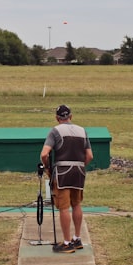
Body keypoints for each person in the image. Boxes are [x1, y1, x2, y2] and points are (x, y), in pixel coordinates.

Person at [40, 104, 93, 253]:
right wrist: (81, 166)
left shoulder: (55, 131)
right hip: (79, 171)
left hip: (62, 172)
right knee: (76, 204)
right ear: (71, 116)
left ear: (57, 118)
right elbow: (89, 156)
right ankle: (77, 238)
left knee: (64, 208)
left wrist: (47, 167)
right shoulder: (82, 131)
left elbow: (44, 154)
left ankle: (67, 242)